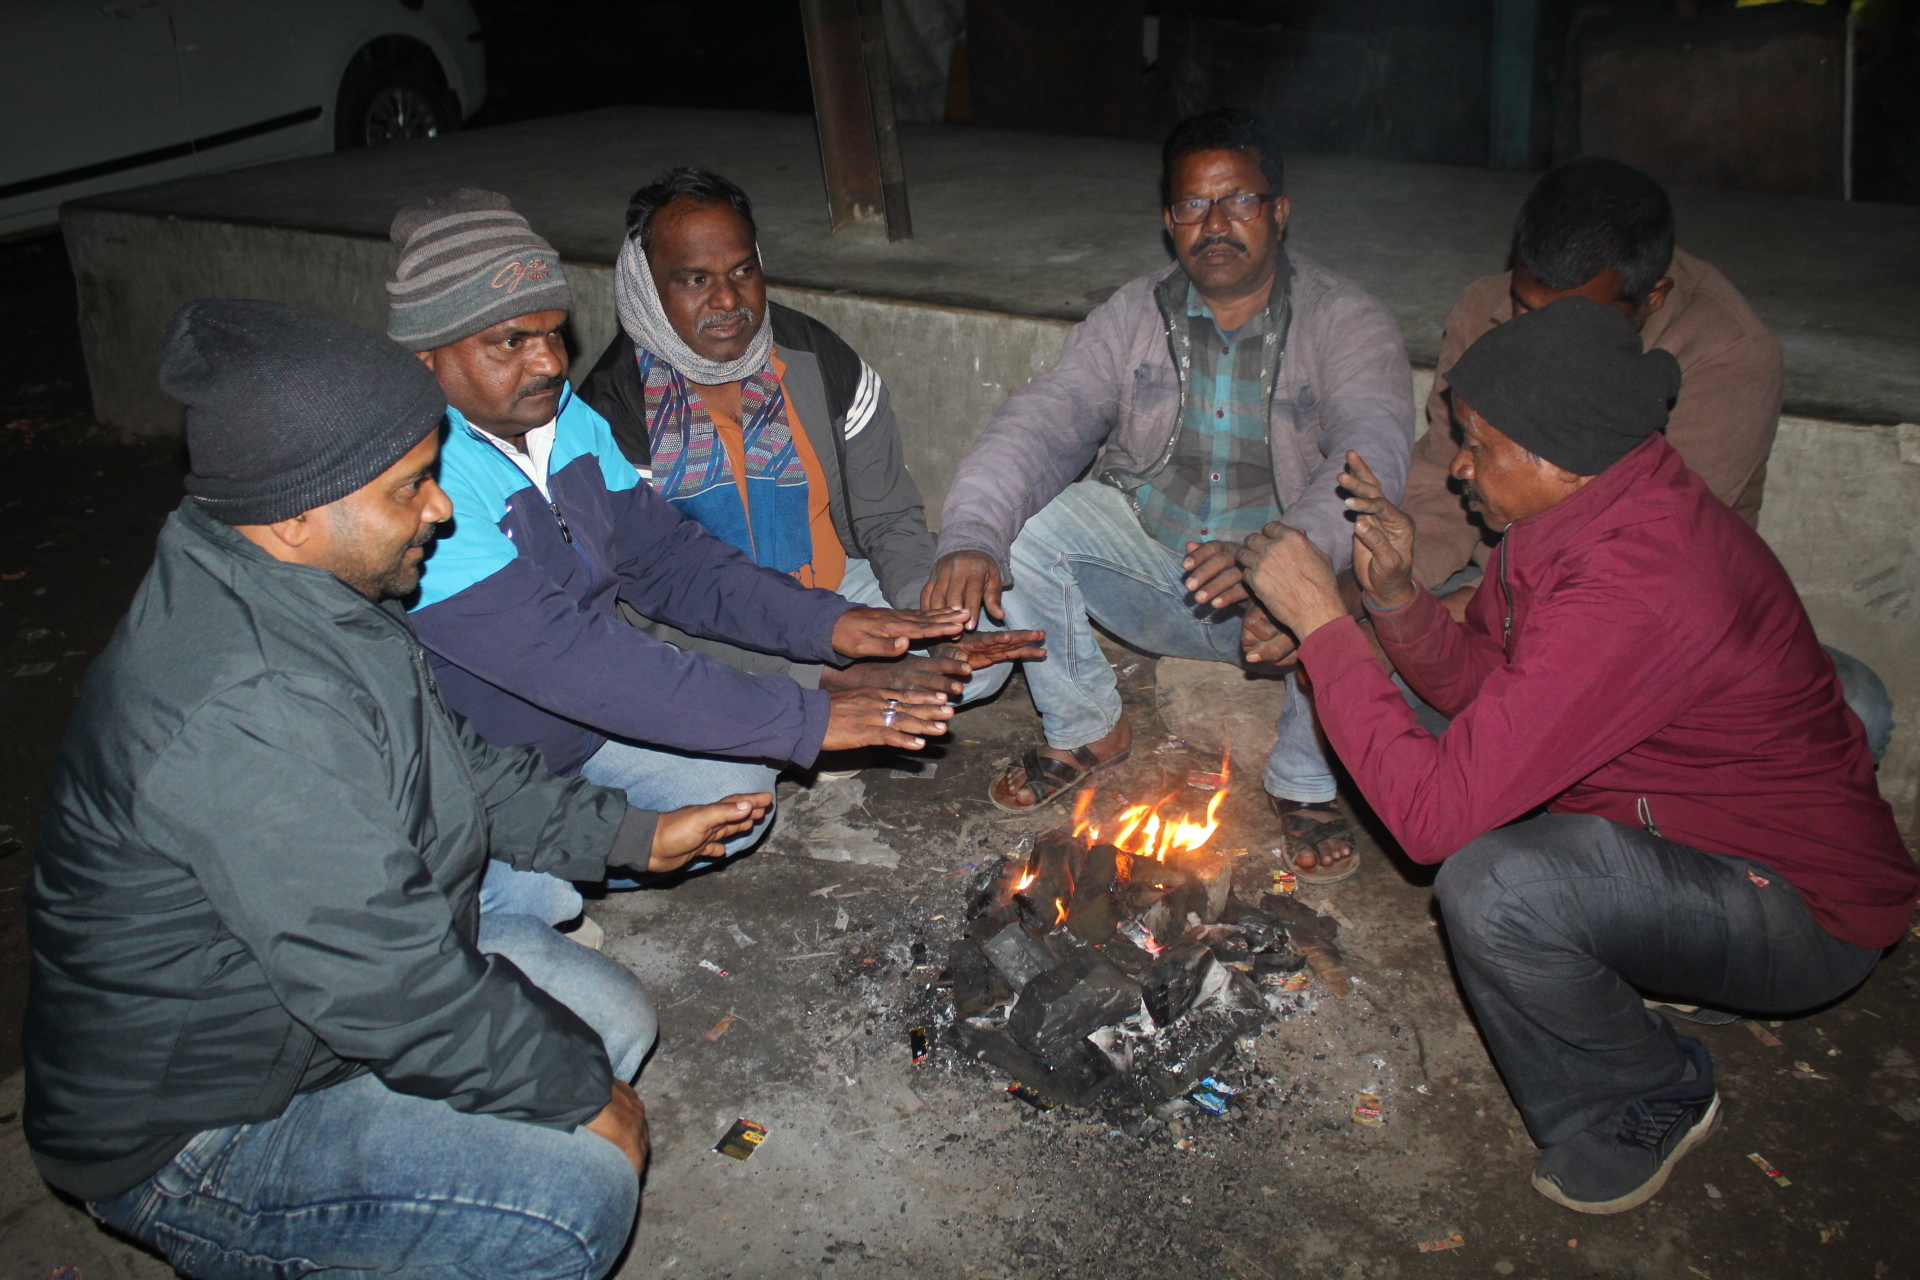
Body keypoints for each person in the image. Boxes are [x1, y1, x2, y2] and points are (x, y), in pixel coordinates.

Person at [25, 301, 768, 1278]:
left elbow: (456, 762)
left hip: (299, 1015)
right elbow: (383, 974)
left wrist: (632, 835)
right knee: (568, 1193)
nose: (441, 508)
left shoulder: (304, 589)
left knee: (614, 1022)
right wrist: (574, 1092)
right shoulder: (246, 707)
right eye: (411, 486)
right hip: (197, 1120)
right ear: (297, 512)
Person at [1239, 297, 1918, 1215]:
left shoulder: (1643, 582)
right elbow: (1485, 687)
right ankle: (1685, 961)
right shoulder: (1577, 514)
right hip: (1692, 840)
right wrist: (1395, 599)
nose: (1459, 468)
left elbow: (1430, 823)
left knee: (1497, 888)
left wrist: (1326, 622)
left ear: (1556, 458)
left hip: (1804, 915)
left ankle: (1648, 1094)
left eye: (1478, 445)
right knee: (1465, 784)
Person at [388, 190, 1037, 912]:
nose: (547, 361)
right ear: (423, 357)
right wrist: (810, 708)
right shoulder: (412, 488)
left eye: (551, 332)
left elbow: (671, 561)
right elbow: (577, 655)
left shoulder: (564, 422)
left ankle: (554, 853)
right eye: (510, 342)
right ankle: (504, 869)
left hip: (586, 721)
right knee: (545, 905)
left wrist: (833, 625)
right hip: (486, 760)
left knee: (739, 801)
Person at [927, 109, 1413, 882]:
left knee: (1376, 567)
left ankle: (1303, 778)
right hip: (1154, 573)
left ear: (1279, 212)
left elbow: (1370, 457)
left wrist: (1281, 561)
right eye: (1193, 205)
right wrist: (971, 533)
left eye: (1239, 201)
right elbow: (1045, 417)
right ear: (1168, 220)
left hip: (1280, 608)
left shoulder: (1345, 321)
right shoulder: (1135, 313)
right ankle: (1088, 726)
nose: (1215, 224)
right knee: (1021, 526)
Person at [1401, 156, 1893, 760]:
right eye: (1528, 308)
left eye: (1577, 315)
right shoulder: (1485, 305)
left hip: (1649, 618)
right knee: (1390, 684)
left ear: (1653, 297)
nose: (1541, 336)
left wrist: (1452, 615)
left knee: (1855, 709)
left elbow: (1647, 558)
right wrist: (1389, 591)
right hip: (1493, 583)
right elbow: (1441, 481)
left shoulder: (1729, 351)